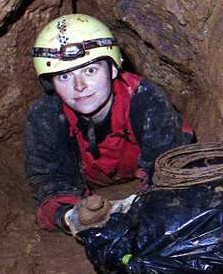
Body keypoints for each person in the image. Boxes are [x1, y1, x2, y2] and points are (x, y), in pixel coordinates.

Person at [24, 13, 194, 234]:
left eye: (90, 70)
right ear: (51, 83)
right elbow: (48, 181)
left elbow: (169, 167)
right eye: (64, 77)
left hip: (143, 170)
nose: (79, 86)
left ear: (112, 69)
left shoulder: (145, 99)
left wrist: (138, 205)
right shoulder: (46, 116)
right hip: (89, 178)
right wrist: (70, 216)